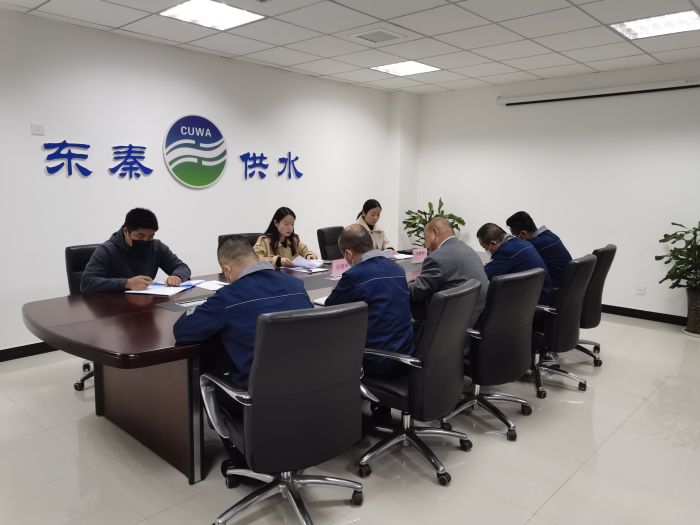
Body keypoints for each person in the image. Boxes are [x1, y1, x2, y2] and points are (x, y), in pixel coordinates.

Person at [173, 236, 313, 388]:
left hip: (258, 394)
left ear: (226, 271)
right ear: (257, 257)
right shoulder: (296, 285)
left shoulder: (227, 298)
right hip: (307, 384)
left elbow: (183, 330)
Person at [325, 225, 414, 379]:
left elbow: (329, 311)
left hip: (378, 362)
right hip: (407, 355)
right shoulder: (398, 270)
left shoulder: (354, 276)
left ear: (348, 254)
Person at [81, 208, 191, 293]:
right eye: (140, 236)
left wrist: (177, 276)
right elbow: (86, 283)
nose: (145, 240)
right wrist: (126, 283)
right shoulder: (107, 250)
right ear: (126, 231)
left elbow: (182, 267)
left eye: (150, 236)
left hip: (146, 305)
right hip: (112, 308)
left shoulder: (156, 247)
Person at [409, 217, 488, 326]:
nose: (426, 244)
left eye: (426, 237)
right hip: (476, 316)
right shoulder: (468, 250)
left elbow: (415, 293)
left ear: (435, 233)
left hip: (450, 323)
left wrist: (404, 284)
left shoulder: (437, 257)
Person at [476, 222, 553, 305]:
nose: (485, 250)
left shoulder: (506, 252)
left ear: (493, 243)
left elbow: (482, 276)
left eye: (484, 247)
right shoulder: (522, 242)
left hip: (534, 303)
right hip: (542, 296)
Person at [506, 211, 572, 289]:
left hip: (556, 289)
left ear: (523, 234)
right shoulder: (550, 235)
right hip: (570, 285)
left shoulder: (533, 246)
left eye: (515, 237)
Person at [253, 207, 318, 268]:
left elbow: (305, 251)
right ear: (276, 223)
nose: (290, 228)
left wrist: (309, 255)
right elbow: (255, 260)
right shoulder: (264, 240)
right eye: (286, 224)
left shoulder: (293, 239)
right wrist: (278, 261)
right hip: (273, 275)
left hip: (292, 274)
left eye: (292, 224)